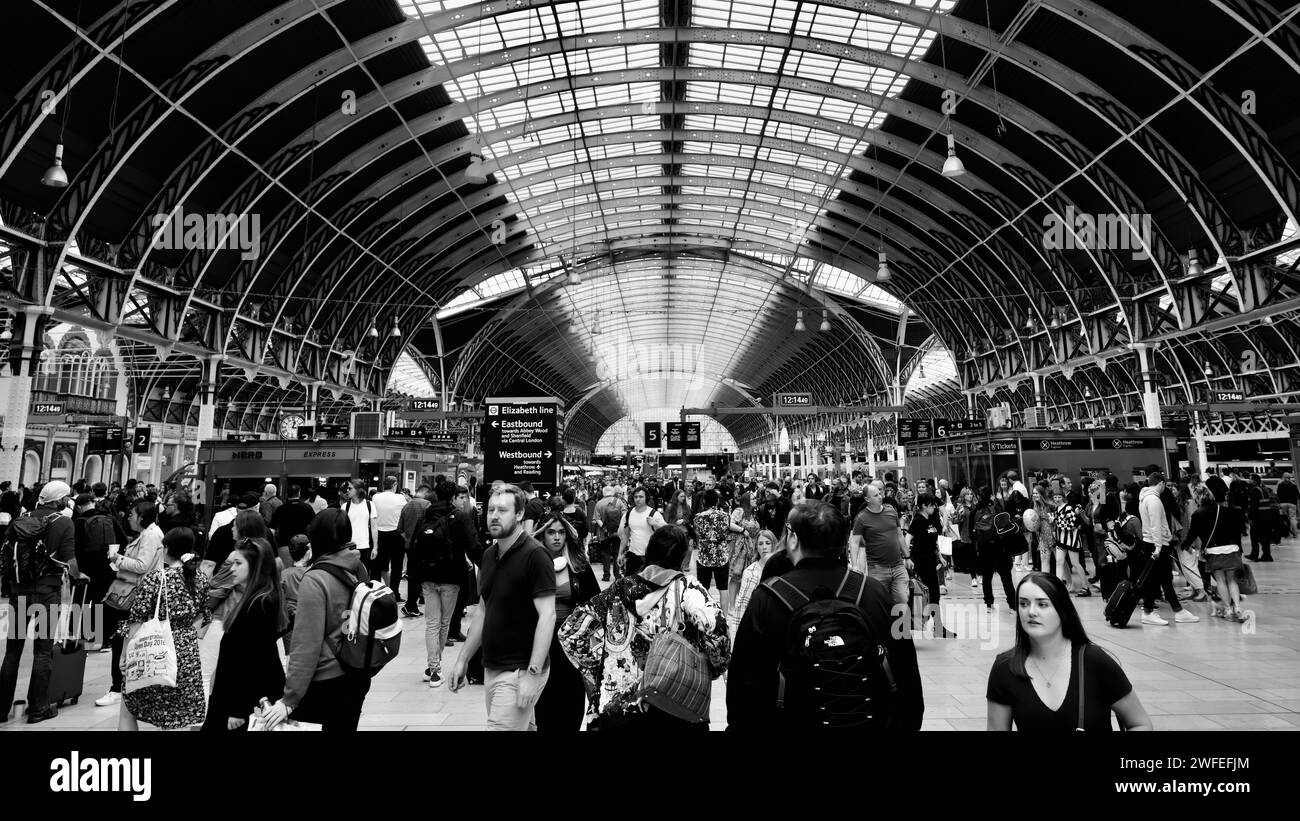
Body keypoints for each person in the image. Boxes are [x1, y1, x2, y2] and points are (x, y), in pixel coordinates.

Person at [727, 502, 924, 730]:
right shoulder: (874, 592)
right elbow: (907, 669)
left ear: (793, 540)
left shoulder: (767, 599)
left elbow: (743, 683)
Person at [559, 524, 730, 730]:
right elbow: (717, 629)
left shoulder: (617, 590)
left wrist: (602, 668)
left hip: (619, 707)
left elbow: (570, 633)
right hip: (672, 703)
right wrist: (713, 667)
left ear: (649, 551)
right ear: (683, 555)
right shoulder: (687, 588)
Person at [448, 484, 556, 731]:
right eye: (491, 510)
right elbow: (484, 611)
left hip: (519, 670)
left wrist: (533, 674)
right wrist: (462, 660)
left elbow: (547, 616)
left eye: (503, 510)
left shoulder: (535, 556)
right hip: (492, 666)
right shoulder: (488, 555)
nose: (494, 515)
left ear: (519, 515)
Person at [987, 572, 1153, 731]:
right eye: (1023, 603)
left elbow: (1140, 723)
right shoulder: (1005, 667)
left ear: (1062, 610)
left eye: (1042, 604)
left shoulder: (1094, 661)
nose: (1031, 611)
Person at [262, 509, 371, 732]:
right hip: (355, 674)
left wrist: (289, 699)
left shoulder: (315, 579)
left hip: (326, 681)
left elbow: (306, 644)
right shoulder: (358, 567)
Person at [0, 481, 79, 724]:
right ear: (60, 500)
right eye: (67, 497)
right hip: (47, 591)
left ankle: (1, 709)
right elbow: (70, 560)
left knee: (12, 651)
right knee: (43, 650)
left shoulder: (20, 520)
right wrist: (77, 575)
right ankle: (38, 709)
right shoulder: (64, 522)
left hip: (18, 591)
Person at [118, 527, 210, 731]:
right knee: (175, 715)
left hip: (156, 648)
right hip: (186, 652)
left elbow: (135, 620)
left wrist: (126, 653)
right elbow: (204, 615)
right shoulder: (201, 578)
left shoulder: (157, 578)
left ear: (167, 548)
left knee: (128, 707)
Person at [202, 537, 286, 731]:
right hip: (234, 697)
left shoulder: (260, 603)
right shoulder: (257, 597)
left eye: (238, 563)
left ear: (256, 566)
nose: (232, 568)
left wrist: (238, 709)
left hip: (238, 701)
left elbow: (254, 659)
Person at [532, 512, 599, 732]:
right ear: (542, 536)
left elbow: (594, 603)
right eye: (551, 532)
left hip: (571, 645)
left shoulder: (579, 566)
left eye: (561, 532)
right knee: (544, 705)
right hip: (542, 643)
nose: (557, 537)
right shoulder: (530, 565)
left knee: (571, 704)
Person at [413, 482, 476, 687]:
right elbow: (473, 545)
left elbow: (414, 545)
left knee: (432, 623)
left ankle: (433, 666)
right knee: (444, 623)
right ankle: (434, 669)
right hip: (451, 576)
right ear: (452, 497)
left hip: (427, 576)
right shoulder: (459, 517)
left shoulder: (425, 515)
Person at [1136, 469, 1198, 626]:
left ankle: (1175, 610)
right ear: (1161, 483)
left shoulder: (1144, 498)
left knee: (1162, 579)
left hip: (1152, 542)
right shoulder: (1155, 501)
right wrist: (1158, 547)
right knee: (1158, 579)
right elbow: (1156, 525)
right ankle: (1151, 611)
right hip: (1158, 544)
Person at [1184, 484, 1248, 622]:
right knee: (1232, 580)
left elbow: (1193, 533)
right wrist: (1239, 548)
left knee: (1220, 581)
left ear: (1197, 499)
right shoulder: (1227, 510)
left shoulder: (1198, 514)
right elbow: (1236, 531)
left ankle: (1228, 610)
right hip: (1231, 548)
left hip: (1214, 551)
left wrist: (1185, 545)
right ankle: (1237, 607)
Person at [848, 483, 909, 604]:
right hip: (877, 569)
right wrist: (854, 565)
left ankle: (900, 622)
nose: (880, 497)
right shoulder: (862, 518)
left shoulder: (891, 511)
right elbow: (854, 542)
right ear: (867, 499)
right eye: (875, 495)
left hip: (898, 566)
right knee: (880, 602)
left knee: (902, 599)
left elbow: (899, 535)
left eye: (880, 493)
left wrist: (907, 556)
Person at [909, 493, 956, 637]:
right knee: (930, 593)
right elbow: (907, 538)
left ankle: (937, 626)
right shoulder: (918, 520)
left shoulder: (930, 519)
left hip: (930, 560)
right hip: (921, 562)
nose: (934, 507)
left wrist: (939, 556)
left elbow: (933, 541)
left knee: (934, 594)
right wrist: (907, 558)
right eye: (931, 504)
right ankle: (934, 626)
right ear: (924, 505)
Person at [973, 486, 1015, 612]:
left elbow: (972, 533)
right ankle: (1012, 604)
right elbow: (1006, 526)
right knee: (1006, 577)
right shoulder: (997, 507)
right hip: (999, 547)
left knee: (987, 578)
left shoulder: (976, 510)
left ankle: (989, 604)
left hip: (984, 548)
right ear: (991, 495)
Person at [692, 488, 733, 603]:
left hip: (704, 557)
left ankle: (707, 614)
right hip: (721, 556)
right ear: (717, 501)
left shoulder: (698, 517)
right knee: (723, 589)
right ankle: (724, 616)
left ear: (704, 501)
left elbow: (697, 534)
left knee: (704, 589)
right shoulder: (725, 516)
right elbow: (726, 532)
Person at [398, 485, 433, 618]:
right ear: (426, 493)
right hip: (423, 546)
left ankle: (410, 605)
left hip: (409, 547)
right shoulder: (427, 505)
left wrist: (408, 539)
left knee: (412, 575)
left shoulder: (406, 506)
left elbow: (399, 529)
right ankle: (411, 605)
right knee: (419, 576)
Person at [616, 486, 665, 577]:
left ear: (646, 498)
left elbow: (667, 531)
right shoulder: (629, 514)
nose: (638, 499)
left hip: (650, 557)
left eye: (641, 497)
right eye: (636, 497)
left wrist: (655, 524)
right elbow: (625, 535)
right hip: (633, 557)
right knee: (630, 586)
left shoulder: (654, 514)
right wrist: (620, 553)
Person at [371, 476, 408, 596]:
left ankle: (377, 592)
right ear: (394, 485)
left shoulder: (375, 497)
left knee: (377, 566)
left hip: (379, 533)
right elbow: (405, 513)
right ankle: (395, 593)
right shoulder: (400, 498)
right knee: (397, 566)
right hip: (396, 533)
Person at [343, 479, 379, 580]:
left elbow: (374, 527)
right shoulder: (345, 507)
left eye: (350, 488)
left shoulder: (369, 505)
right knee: (349, 576)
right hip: (349, 547)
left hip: (365, 547)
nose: (347, 490)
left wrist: (375, 547)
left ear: (358, 490)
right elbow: (342, 529)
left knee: (364, 576)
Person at [592, 485, 627, 581]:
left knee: (605, 553)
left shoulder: (599, 503)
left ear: (603, 493)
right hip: (617, 533)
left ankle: (606, 575)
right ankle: (617, 575)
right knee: (617, 552)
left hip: (604, 534)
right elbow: (625, 516)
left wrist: (604, 528)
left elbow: (596, 519)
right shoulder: (619, 502)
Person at [270, 484, 315, 549]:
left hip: (284, 543)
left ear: (287, 494)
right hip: (302, 544)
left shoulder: (280, 509)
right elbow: (313, 525)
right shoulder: (307, 507)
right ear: (299, 493)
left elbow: (272, 528)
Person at [1245, 473, 1277, 562]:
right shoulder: (1264, 489)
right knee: (1265, 537)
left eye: (1250, 479)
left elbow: (1253, 506)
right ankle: (1267, 555)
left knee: (1254, 537)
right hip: (1267, 516)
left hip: (1258, 518)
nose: (1248, 480)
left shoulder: (1254, 491)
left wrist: (1250, 518)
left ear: (1254, 481)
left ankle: (1254, 554)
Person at [1276, 472, 1298, 539]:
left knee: (1283, 519)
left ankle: (1285, 533)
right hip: (1292, 503)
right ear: (1290, 478)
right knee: (1292, 518)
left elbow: (1278, 494)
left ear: (1283, 478)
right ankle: (1294, 534)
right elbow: (1297, 494)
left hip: (1283, 504)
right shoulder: (1293, 485)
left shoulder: (1280, 485)